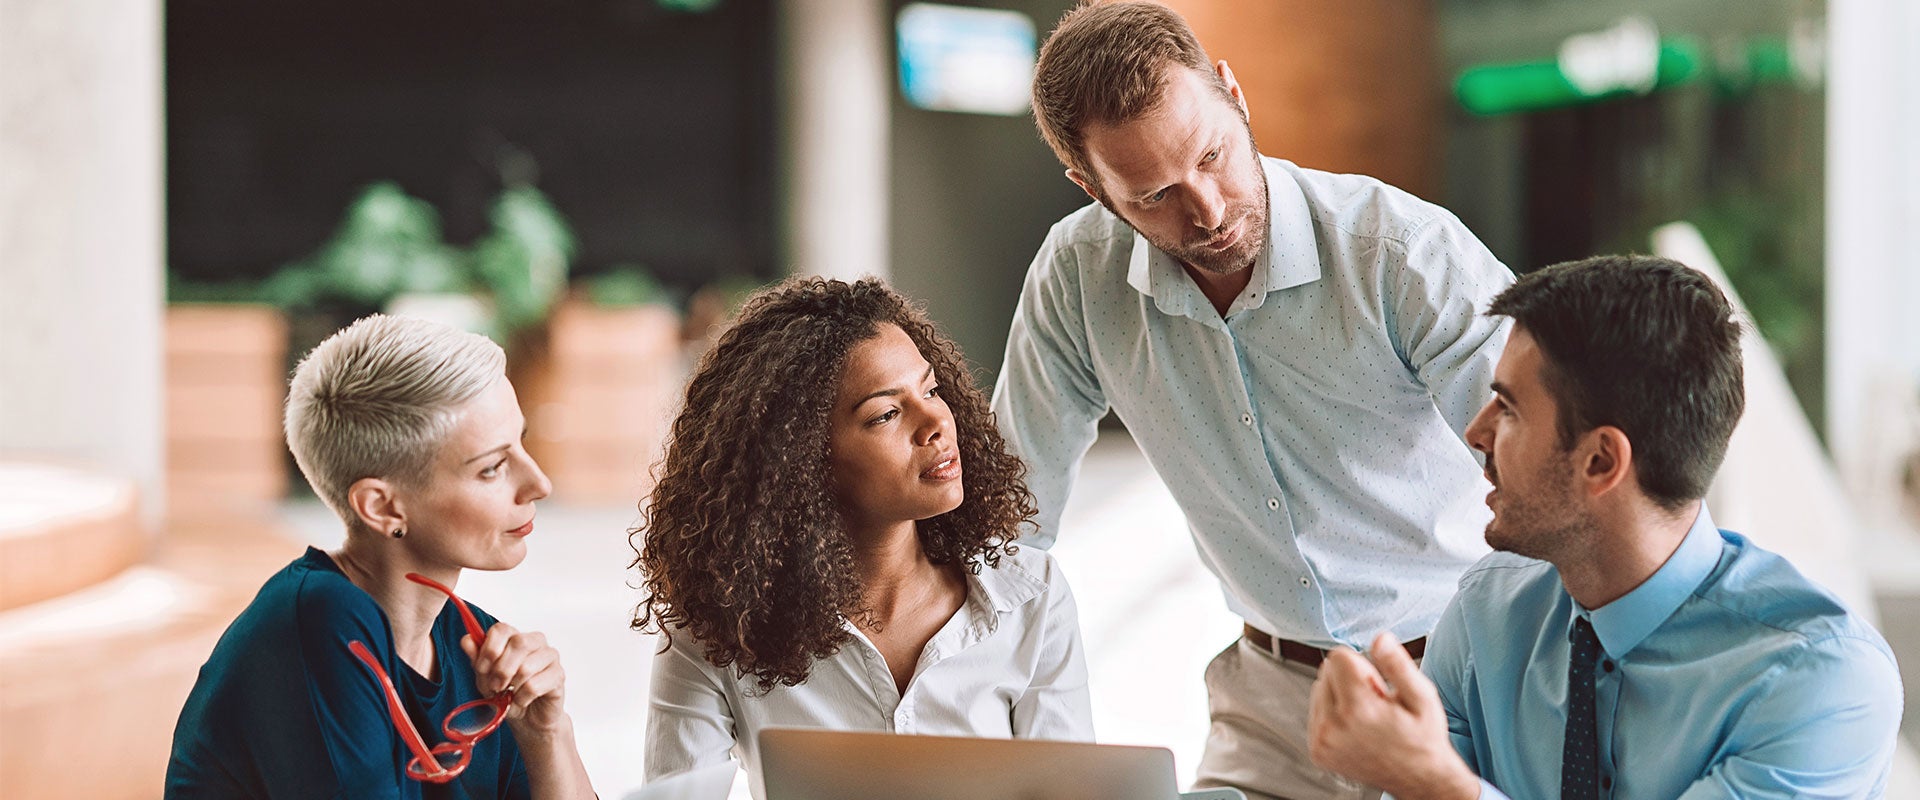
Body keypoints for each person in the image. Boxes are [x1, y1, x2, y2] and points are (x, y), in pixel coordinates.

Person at [994, 4, 1514, 797]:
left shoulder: (1402, 256)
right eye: (1154, 194)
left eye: (1213, 155)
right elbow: (1010, 524)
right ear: (1091, 190)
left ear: (1234, 94)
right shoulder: (1077, 279)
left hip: (1467, 678)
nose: (1205, 210)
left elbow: (1553, 473)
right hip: (1270, 708)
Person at [1306, 255, 1904, 799]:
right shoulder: (1484, 614)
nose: (1476, 432)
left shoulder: (1822, 681)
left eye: (1508, 408)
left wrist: (1436, 785)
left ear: (1600, 462)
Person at [635, 277, 1092, 796]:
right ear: (802, 460)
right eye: (886, 414)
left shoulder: (1032, 595)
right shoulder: (716, 627)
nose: (936, 422)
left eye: (931, 389)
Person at [165, 315, 594, 799]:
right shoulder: (318, 620)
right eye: (492, 468)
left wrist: (547, 735)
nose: (539, 483)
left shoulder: (474, 646)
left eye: (522, 441)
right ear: (382, 506)